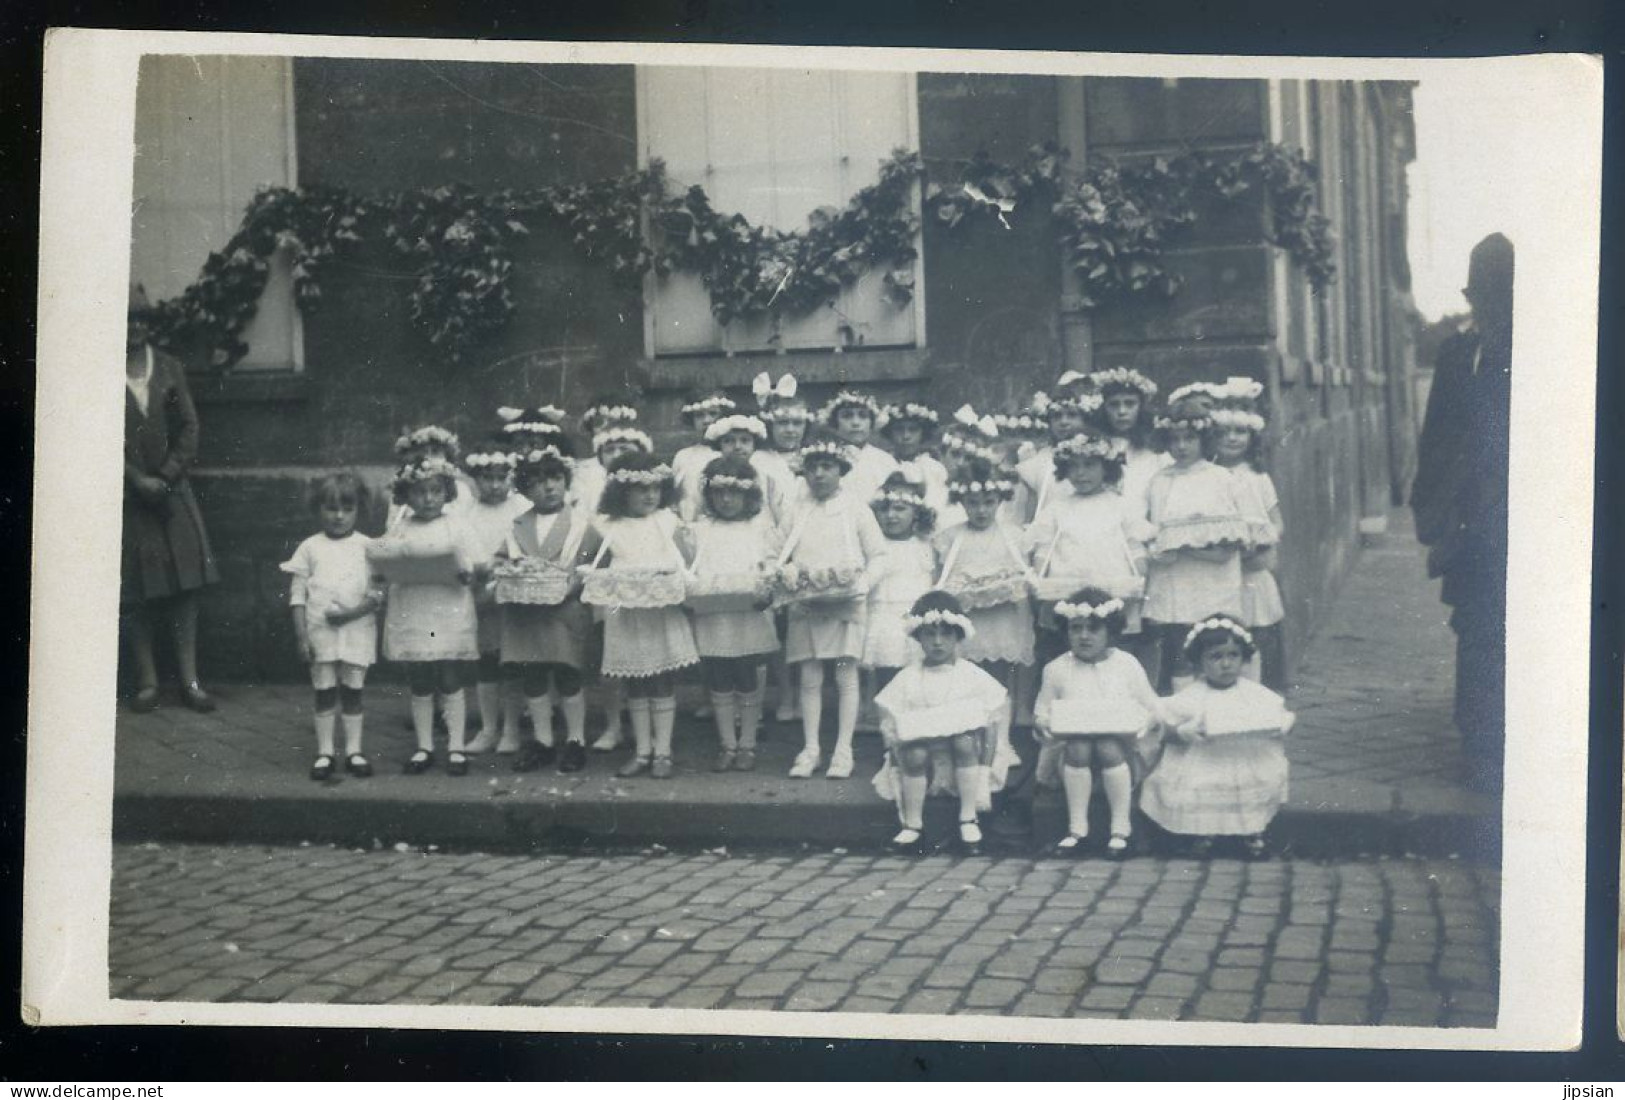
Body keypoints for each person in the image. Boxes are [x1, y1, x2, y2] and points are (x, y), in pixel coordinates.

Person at [1411, 232, 1513, 796]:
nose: (1487, 307)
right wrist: (1431, 509)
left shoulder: (1543, 349)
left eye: (1497, 295)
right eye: (1482, 296)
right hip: (1474, 520)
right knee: (1476, 628)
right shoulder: (1457, 354)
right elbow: (1437, 439)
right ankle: (1480, 747)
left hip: (1527, 517)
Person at [121, 285, 220, 713]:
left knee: (185, 586)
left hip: (171, 492)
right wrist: (133, 478)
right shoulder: (92, 370)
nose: (135, 328)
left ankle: (190, 679)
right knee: (135, 591)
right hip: (126, 496)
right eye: (126, 319)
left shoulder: (168, 368)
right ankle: (147, 681)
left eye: (141, 319)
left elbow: (189, 428)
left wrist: (164, 476)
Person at [777, 434, 888, 779]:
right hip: (807, 602)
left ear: (841, 470)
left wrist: (862, 584)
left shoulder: (856, 509)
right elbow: (776, 551)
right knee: (809, 676)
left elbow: (879, 555)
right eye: (812, 468)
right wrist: (787, 572)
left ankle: (843, 749)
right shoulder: (795, 509)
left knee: (844, 674)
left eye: (827, 467)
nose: (819, 475)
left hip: (845, 604)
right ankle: (810, 747)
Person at [1139, 616, 1294, 859]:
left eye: (1233, 656)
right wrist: (1182, 732)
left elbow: (1278, 717)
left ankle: (1251, 833)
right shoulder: (1192, 696)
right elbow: (1162, 728)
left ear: (1243, 658)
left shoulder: (1253, 695)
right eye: (1216, 657)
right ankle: (1203, 832)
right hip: (1203, 759)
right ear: (1199, 662)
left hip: (1244, 757)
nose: (1226, 664)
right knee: (1200, 786)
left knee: (1248, 785)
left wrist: (1279, 726)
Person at [585, 452, 699, 779]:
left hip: (661, 612)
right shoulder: (607, 526)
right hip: (626, 613)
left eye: (655, 488)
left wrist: (678, 579)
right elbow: (590, 566)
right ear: (622, 492)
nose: (650, 495)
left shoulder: (668, 521)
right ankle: (642, 750)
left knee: (661, 680)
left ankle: (662, 751)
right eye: (640, 489)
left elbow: (687, 564)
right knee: (635, 682)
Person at [368, 455, 481, 775]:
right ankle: (424, 747)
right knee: (420, 678)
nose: (428, 499)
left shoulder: (456, 524)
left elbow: (476, 563)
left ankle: (456, 746)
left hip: (447, 609)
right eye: (419, 492)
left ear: (447, 491)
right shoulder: (400, 526)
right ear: (406, 495)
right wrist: (384, 570)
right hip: (414, 609)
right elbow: (385, 562)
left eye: (435, 490)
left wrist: (465, 574)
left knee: (449, 675)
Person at [490, 445, 599, 774]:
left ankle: (576, 740)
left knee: (568, 673)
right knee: (533, 674)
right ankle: (543, 740)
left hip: (564, 609)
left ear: (565, 482)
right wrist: (506, 570)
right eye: (537, 482)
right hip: (526, 611)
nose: (548, 487)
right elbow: (501, 559)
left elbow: (592, 565)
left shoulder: (582, 525)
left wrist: (573, 586)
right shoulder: (517, 525)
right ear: (525, 489)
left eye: (554, 478)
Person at [873, 591, 1008, 854]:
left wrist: (985, 768)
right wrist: (900, 737)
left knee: (964, 740)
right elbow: (890, 725)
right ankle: (913, 825)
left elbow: (992, 721)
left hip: (966, 753)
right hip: (924, 755)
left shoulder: (971, 675)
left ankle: (968, 817)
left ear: (958, 636)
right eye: (929, 635)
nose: (937, 642)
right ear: (918, 637)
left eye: (946, 634)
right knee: (913, 751)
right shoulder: (909, 677)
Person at [1033, 588, 1163, 859]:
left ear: (1110, 632)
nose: (1083, 636)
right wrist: (1043, 724)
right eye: (1076, 628)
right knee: (1080, 745)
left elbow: (1152, 707)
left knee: (1106, 746)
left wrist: (1137, 725)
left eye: (1093, 629)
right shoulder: (1057, 669)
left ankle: (1120, 828)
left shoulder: (1126, 664)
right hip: (1070, 753)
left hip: (1123, 750)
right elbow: (1042, 710)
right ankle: (1077, 829)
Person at [1142, 400, 1252, 691]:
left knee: (1214, 650)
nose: (1181, 446)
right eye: (1174, 439)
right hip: (1174, 585)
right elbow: (1153, 531)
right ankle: (1183, 717)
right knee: (1178, 656)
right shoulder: (1159, 481)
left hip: (1211, 586)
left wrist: (1183, 547)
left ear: (1204, 438)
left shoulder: (1220, 479)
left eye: (1189, 438)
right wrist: (1159, 548)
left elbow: (1225, 551)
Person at [280, 472, 383, 780]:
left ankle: (354, 750)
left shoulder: (368, 547)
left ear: (358, 510)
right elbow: (297, 596)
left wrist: (351, 615)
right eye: (331, 508)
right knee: (324, 691)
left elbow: (377, 596)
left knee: (353, 691)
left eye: (347, 509)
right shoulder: (310, 548)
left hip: (356, 631)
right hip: (320, 633)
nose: (339, 516)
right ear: (318, 509)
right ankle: (325, 752)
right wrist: (301, 637)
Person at [686, 456, 782, 771]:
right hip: (714, 612)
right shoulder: (700, 530)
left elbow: (771, 565)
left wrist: (765, 587)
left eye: (734, 493)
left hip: (748, 612)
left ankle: (748, 742)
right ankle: (727, 743)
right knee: (719, 674)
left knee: (747, 672)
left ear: (749, 495)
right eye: (719, 493)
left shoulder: (761, 528)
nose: (727, 500)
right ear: (709, 495)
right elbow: (689, 570)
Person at [1208, 387, 1287, 690]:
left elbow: (1277, 520)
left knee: (1258, 630)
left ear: (1252, 436)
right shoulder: (1209, 476)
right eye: (1224, 431)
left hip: (1252, 566)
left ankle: (1260, 691)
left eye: (1240, 431)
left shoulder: (1258, 478)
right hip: (1220, 566)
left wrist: (1264, 539)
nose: (1232, 438)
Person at [461, 448, 531, 754]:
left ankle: (511, 730)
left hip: (514, 592)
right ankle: (489, 729)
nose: (493, 485)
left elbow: (529, 547)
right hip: (481, 594)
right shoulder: (466, 514)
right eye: (486, 478)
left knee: (512, 660)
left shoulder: (523, 508)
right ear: (476, 480)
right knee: (487, 661)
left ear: (510, 478)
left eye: (500, 477)